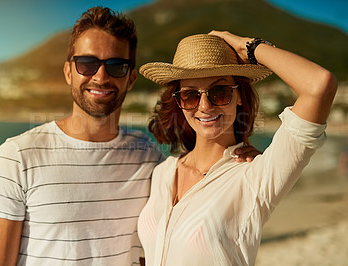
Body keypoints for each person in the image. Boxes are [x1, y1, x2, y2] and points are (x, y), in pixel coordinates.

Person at [0, 7, 258, 266]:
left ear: (131, 78)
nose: (100, 76)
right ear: (68, 72)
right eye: (87, 63)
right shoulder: (16, 157)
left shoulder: (150, 160)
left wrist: (240, 155)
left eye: (116, 65)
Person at [137, 31, 337, 265]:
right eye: (190, 95)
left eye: (219, 92)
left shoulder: (256, 176)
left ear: (240, 95)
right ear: (179, 102)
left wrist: (248, 47)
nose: (204, 106)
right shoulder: (163, 172)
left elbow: (319, 85)